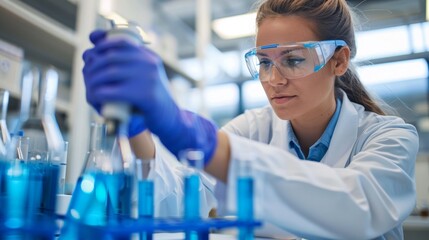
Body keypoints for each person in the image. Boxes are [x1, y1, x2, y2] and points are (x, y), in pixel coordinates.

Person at [82, 0, 419, 239]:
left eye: (293, 59)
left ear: (339, 60)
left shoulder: (389, 137)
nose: (273, 79)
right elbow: (182, 196)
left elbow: (356, 209)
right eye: (264, 62)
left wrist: (199, 138)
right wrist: (138, 127)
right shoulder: (251, 128)